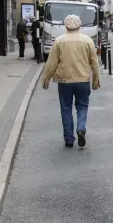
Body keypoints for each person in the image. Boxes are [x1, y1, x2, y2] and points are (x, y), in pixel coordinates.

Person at [42, 15, 100, 149]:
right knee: (82, 106)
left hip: (64, 80)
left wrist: (46, 79)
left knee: (66, 109)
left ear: (66, 26)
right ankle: (81, 128)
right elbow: (94, 63)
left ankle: (69, 139)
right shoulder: (88, 41)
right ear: (80, 26)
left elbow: (51, 63)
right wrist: (95, 80)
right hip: (82, 80)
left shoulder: (59, 41)